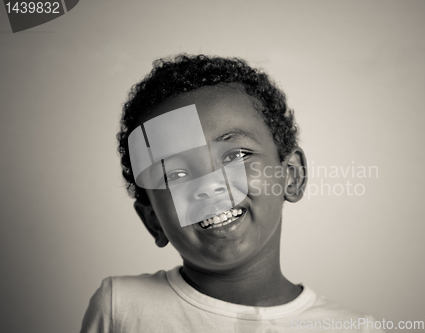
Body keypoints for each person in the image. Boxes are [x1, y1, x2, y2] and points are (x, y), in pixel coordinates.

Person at [80, 54, 384, 332]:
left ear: (290, 176)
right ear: (153, 221)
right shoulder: (120, 307)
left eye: (235, 155)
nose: (209, 185)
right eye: (175, 175)